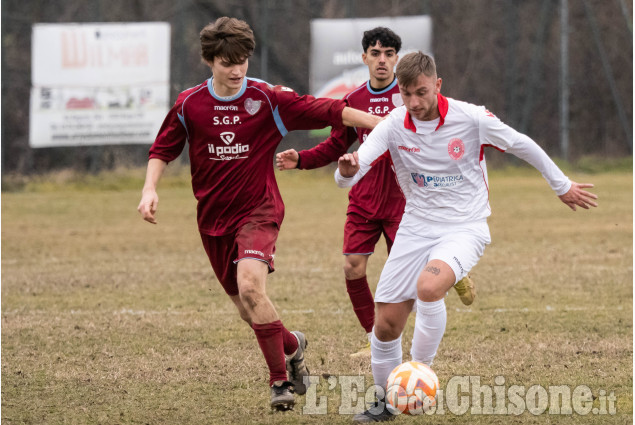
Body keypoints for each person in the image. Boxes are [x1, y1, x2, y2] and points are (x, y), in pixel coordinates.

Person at [335, 52, 598, 422]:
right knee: (386, 325)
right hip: (416, 225)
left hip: (465, 227)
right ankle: (385, 402)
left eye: (422, 93)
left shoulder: (471, 118)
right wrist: (346, 171)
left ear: (437, 85)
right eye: (407, 95)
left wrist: (562, 184)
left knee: (428, 288)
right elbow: (353, 170)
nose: (414, 103)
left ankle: (418, 376)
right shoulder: (395, 124)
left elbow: (521, 144)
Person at [137, 17, 381, 411]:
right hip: (213, 219)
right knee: (246, 310)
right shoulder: (190, 104)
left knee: (252, 287)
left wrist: (385, 125)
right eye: (226, 63)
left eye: (243, 61)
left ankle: (279, 382)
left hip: (259, 210)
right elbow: (163, 148)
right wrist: (150, 188)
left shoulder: (267, 99)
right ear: (209, 61)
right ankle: (293, 344)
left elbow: (331, 110)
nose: (236, 70)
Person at [276, 28, 475, 357]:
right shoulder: (352, 102)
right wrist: (301, 160)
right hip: (364, 199)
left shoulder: (411, 96)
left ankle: (455, 267)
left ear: (397, 59)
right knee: (353, 267)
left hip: (405, 201)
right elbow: (336, 146)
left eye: (389, 54)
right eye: (375, 53)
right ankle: (375, 340)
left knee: (419, 274)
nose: (382, 60)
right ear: (364, 58)